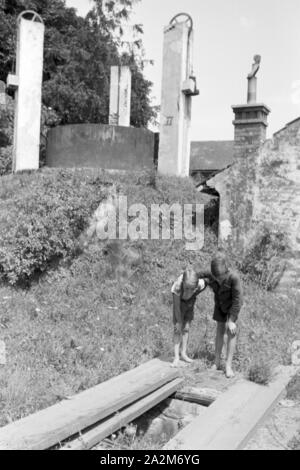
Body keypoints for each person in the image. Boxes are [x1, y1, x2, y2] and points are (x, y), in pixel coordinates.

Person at [206, 253, 243, 378]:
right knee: (220, 330)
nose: (219, 280)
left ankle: (228, 365)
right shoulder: (214, 276)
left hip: (232, 307)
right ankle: (216, 361)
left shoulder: (234, 278)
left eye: (221, 277)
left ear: (226, 270)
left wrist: (232, 319)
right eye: (217, 278)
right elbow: (202, 275)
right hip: (220, 306)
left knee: (231, 331)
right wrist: (196, 280)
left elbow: (238, 300)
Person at [171, 269, 207, 367]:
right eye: (186, 288)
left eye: (192, 289)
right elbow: (176, 307)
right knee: (178, 329)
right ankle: (176, 357)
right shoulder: (177, 287)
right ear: (183, 283)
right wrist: (178, 322)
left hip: (190, 303)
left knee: (186, 329)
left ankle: (183, 353)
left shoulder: (200, 284)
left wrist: (194, 293)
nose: (189, 291)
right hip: (180, 304)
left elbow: (209, 278)